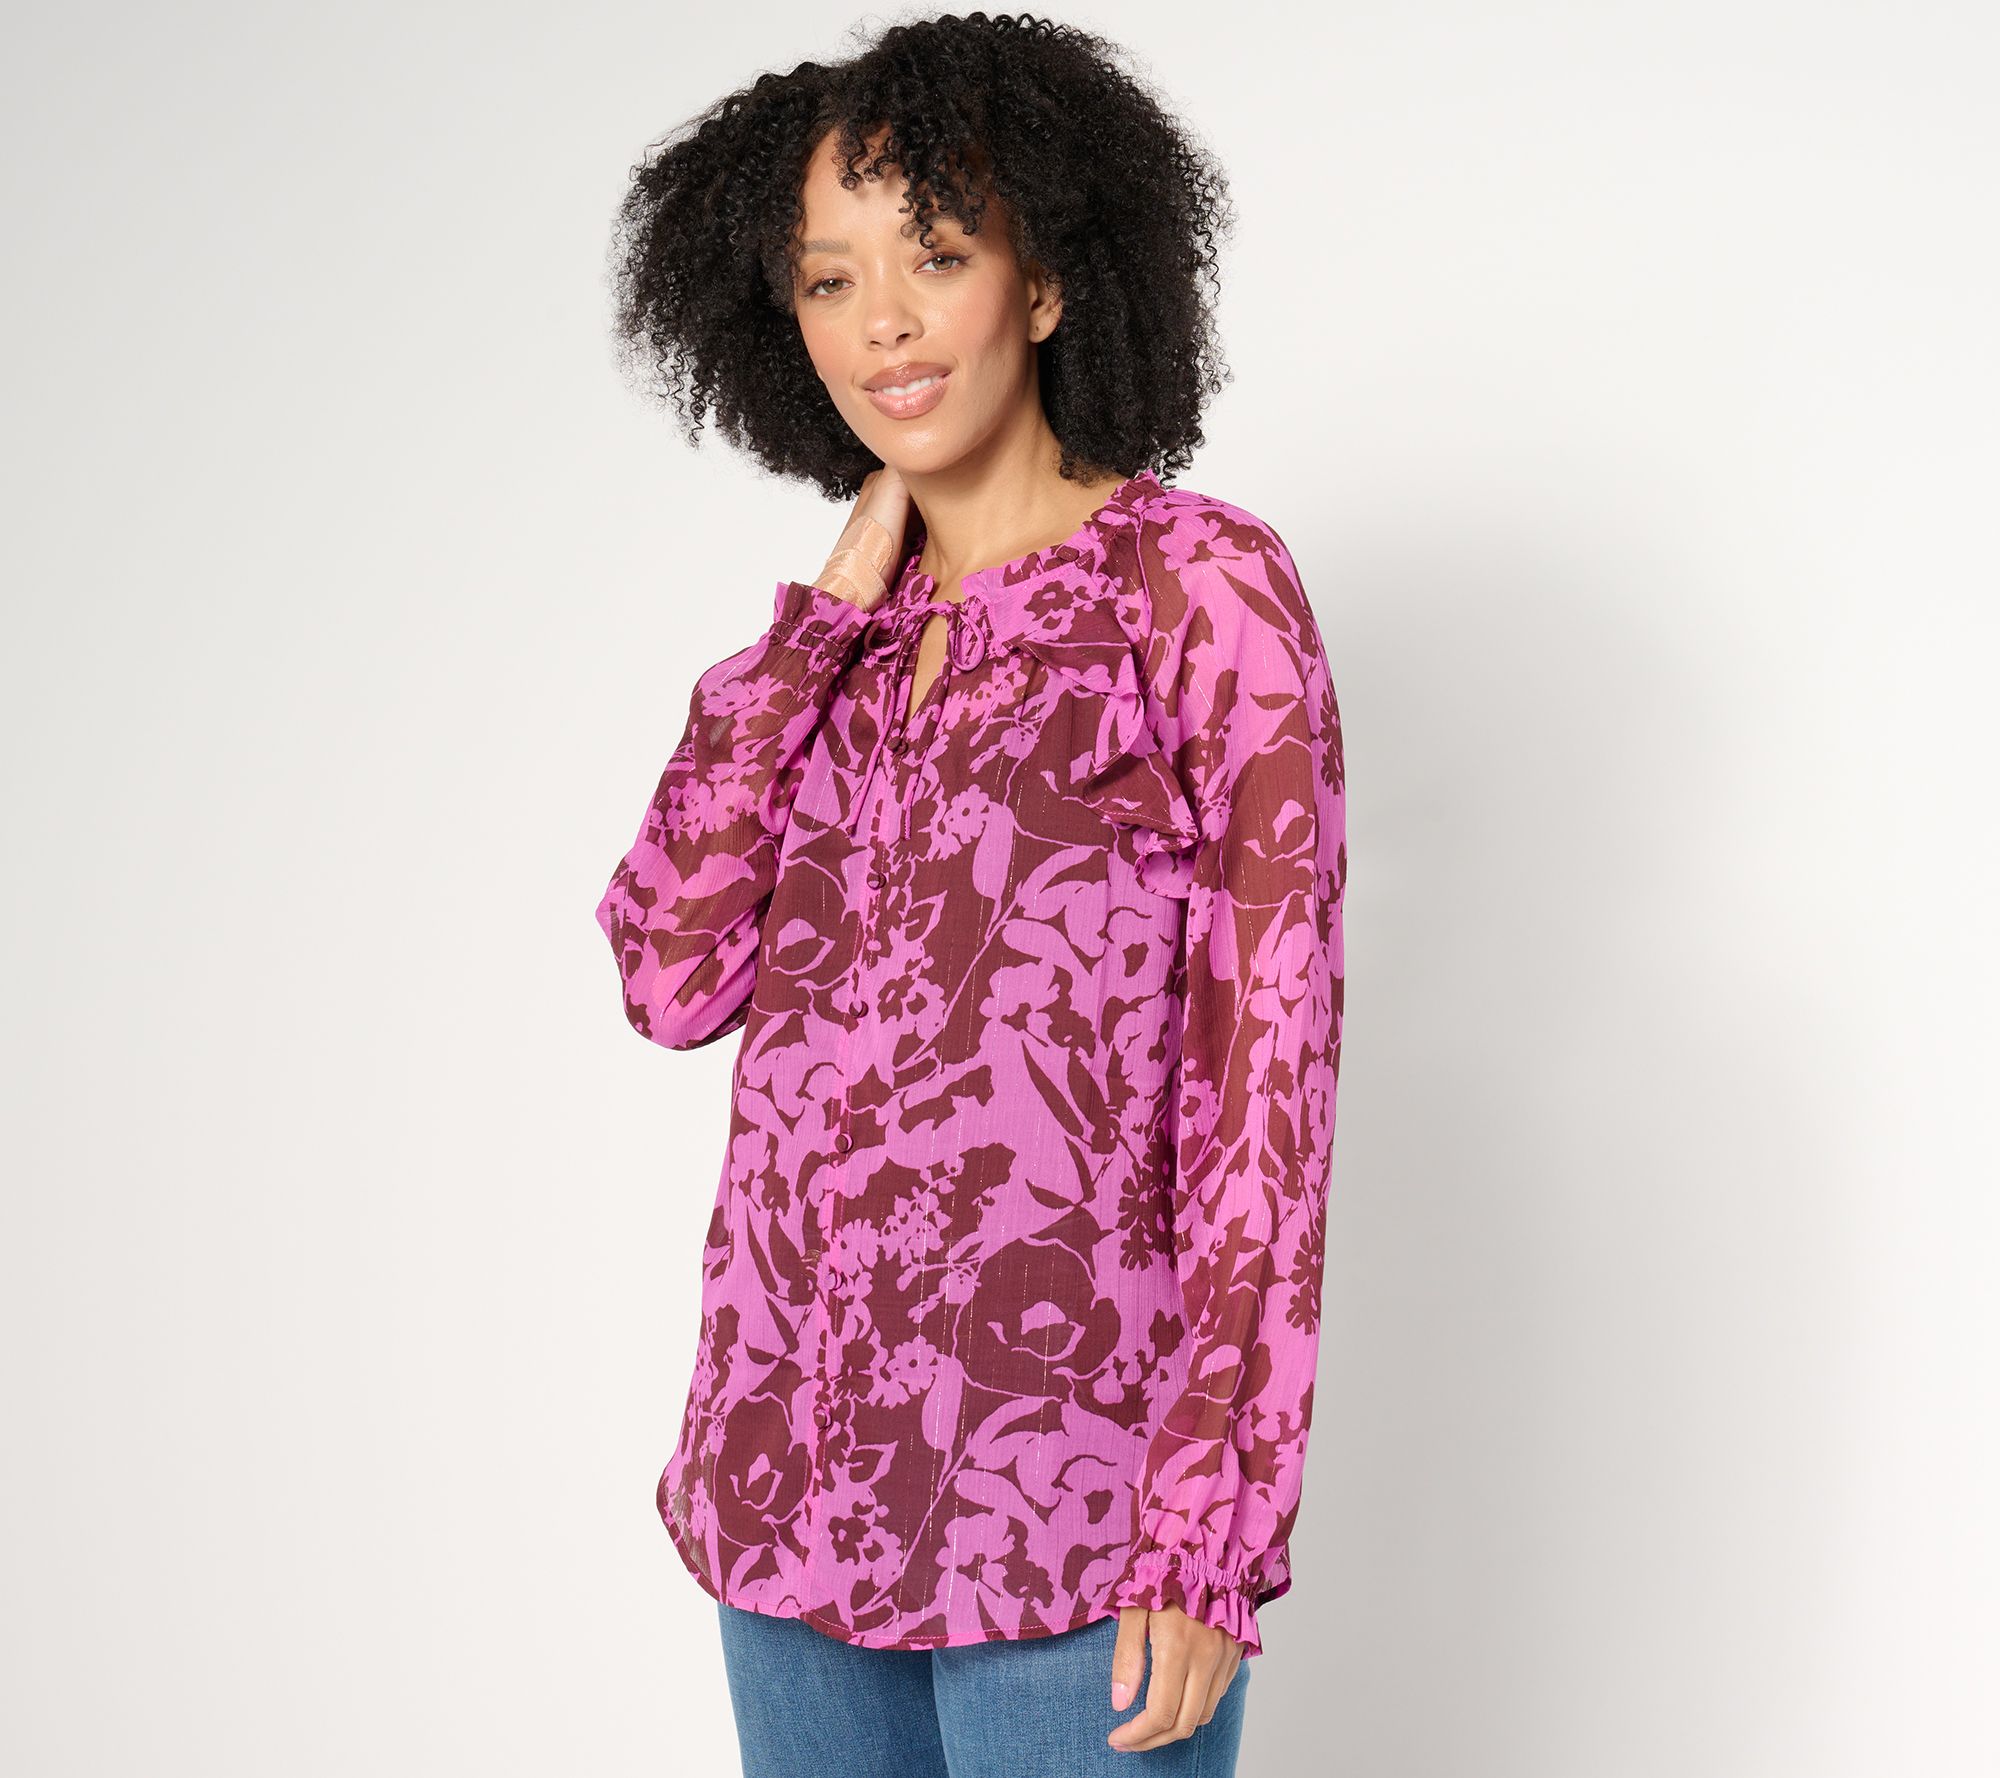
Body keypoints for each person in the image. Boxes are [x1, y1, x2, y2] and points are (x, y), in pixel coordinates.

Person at [594, 14, 1347, 1773]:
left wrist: (1210, 1522)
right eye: (830, 277)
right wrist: (822, 621)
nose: (884, 321)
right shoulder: (839, 647)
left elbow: (1267, 1085)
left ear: (1051, 280)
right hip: (788, 1489)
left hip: (1071, 1514)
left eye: (936, 255)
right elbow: (668, 970)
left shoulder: (1196, 591)